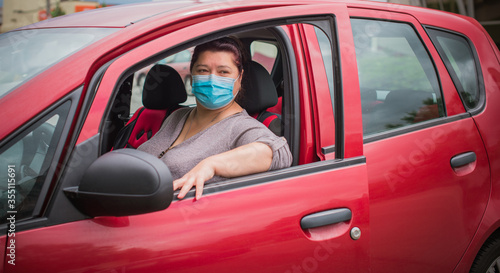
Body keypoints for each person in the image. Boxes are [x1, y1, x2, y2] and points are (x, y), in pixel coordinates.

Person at [138, 37, 292, 200]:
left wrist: (211, 165)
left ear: (239, 78)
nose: (212, 79)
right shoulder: (178, 116)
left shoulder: (241, 127)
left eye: (223, 72)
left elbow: (279, 153)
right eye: (203, 70)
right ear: (192, 76)